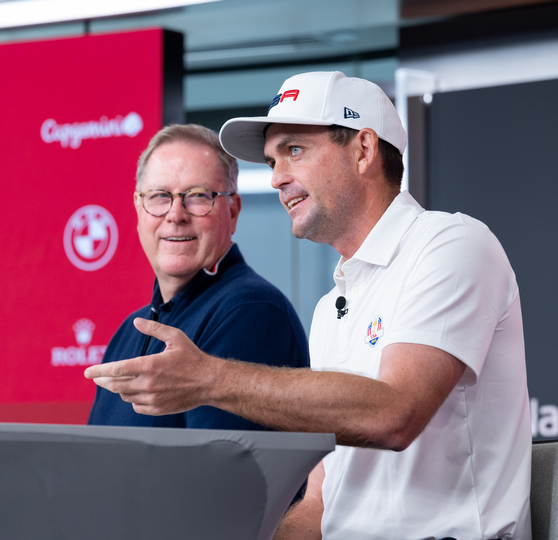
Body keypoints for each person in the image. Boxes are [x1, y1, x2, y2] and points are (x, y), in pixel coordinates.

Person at [86, 72, 530, 539]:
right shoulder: (332, 307)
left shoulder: (451, 244)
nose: (277, 177)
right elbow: (319, 504)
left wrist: (208, 379)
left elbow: (394, 415)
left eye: (294, 150)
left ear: (363, 150)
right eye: (274, 159)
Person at [87, 124, 309, 430]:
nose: (176, 214)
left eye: (198, 196)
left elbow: (218, 472)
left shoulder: (250, 311)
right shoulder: (129, 331)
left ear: (233, 212)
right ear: (138, 210)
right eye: (159, 196)